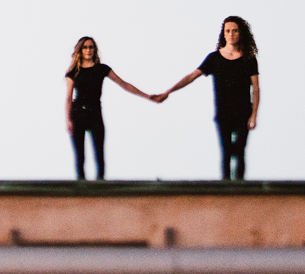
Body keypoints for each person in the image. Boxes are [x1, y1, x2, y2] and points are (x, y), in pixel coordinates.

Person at [154, 16, 260, 180]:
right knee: (225, 152)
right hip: (223, 113)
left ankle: (240, 189)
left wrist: (254, 114)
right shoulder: (214, 59)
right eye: (227, 31)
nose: (231, 34)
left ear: (241, 33)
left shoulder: (248, 59)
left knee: (240, 151)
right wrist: (169, 91)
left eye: (235, 31)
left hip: (243, 112)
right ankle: (226, 187)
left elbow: (256, 88)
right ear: (223, 34)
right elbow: (191, 77)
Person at [64, 36, 156, 181]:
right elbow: (68, 98)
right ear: (80, 50)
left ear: (95, 50)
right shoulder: (73, 73)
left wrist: (147, 96)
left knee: (99, 153)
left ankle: (100, 187)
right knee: (80, 156)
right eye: (85, 47)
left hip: (95, 113)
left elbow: (124, 84)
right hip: (78, 113)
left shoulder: (102, 69)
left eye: (91, 47)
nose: (88, 50)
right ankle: (80, 189)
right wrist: (68, 119)